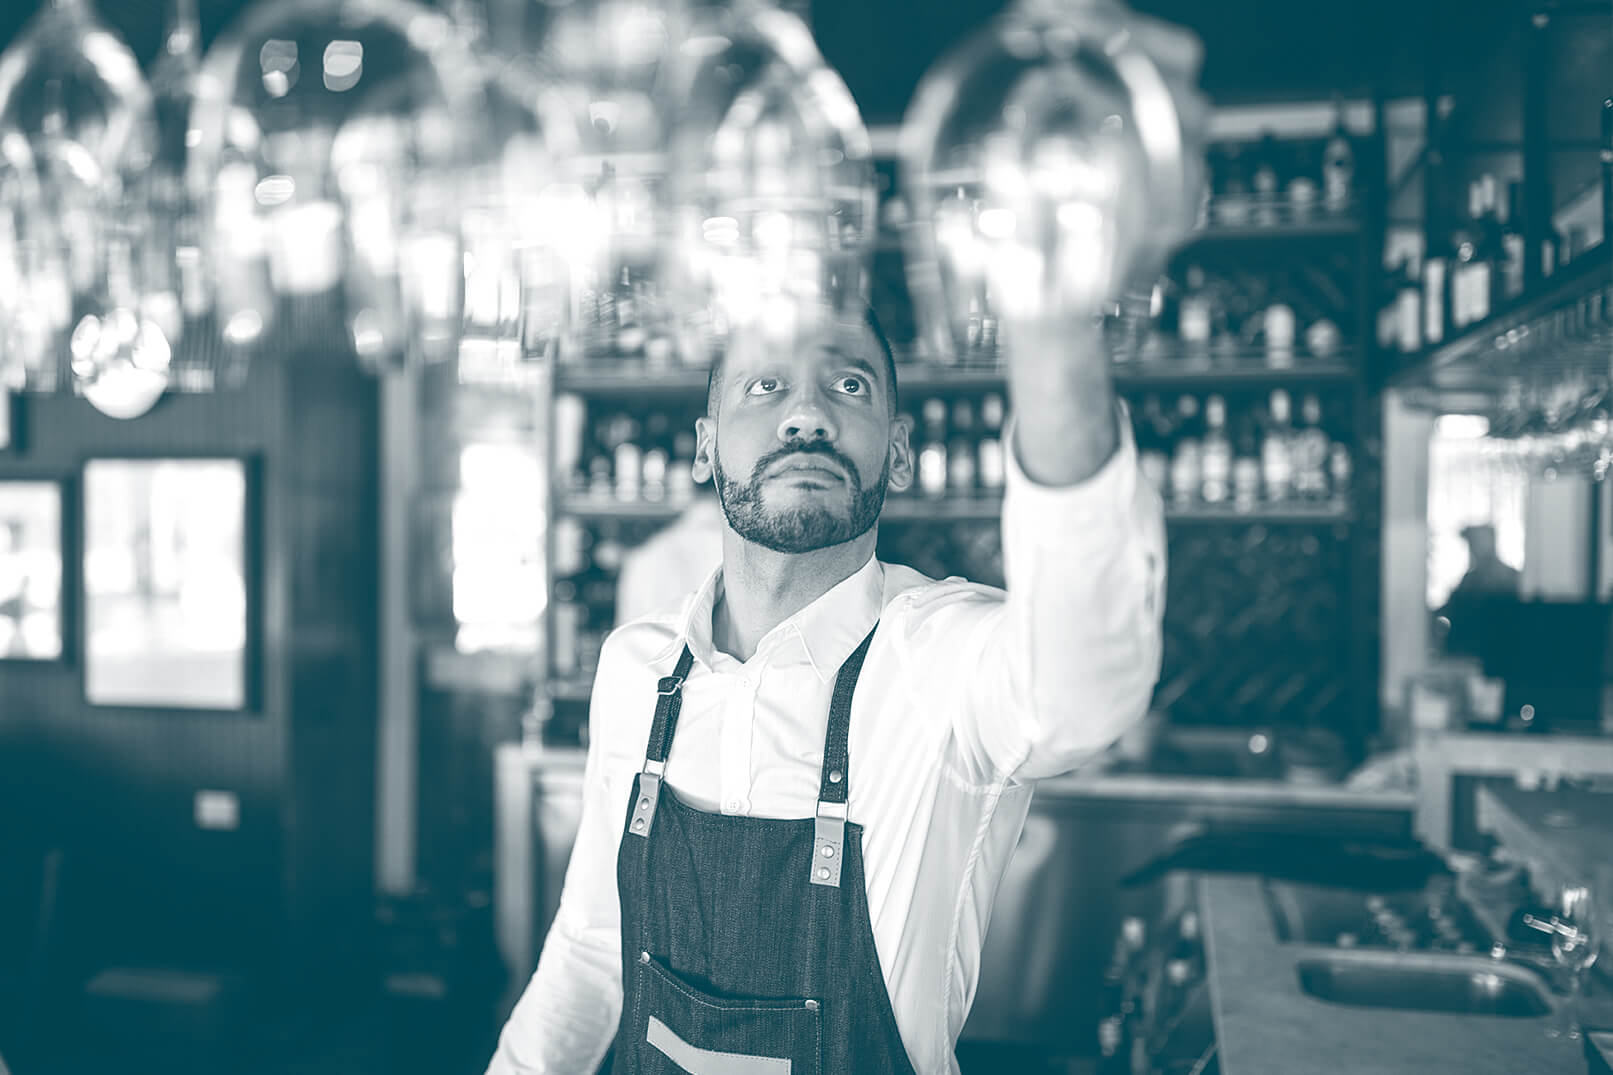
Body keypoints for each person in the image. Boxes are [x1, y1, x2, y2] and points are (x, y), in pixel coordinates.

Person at [487, 33, 1201, 1074]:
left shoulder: (938, 665)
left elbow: (1086, 685)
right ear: (703, 443)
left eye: (849, 385)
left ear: (897, 453)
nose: (806, 413)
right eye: (763, 387)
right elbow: (590, 953)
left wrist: (1051, 319)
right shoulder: (636, 668)